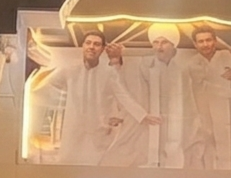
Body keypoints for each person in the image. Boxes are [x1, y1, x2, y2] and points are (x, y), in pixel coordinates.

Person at [28, 28, 149, 165]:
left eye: (96, 44)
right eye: (88, 43)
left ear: (102, 49)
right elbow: (46, 89)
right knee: (69, 165)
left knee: (97, 167)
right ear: (83, 46)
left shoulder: (108, 73)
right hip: (73, 133)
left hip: (99, 134)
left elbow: (123, 96)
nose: (91, 47)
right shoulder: (69, 69)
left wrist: (142, 115)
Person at [107, 23, 205, 168]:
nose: (159, 47)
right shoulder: (143, 66)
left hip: (176, 128)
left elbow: (191, 102)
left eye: (164, 42)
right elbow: (121, 90)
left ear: (173, 45)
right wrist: (142, 115)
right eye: (156, 42)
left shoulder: (182, 70)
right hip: (146, 126)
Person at [186, 23, 231, 169]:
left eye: (208, 40)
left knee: (228, 149)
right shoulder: (192, 63)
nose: (205, 44)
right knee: (207, 149)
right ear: (195, 44)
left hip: (227, 112)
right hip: (204, 113)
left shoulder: (227, 57)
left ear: (215, 41)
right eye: (201, 41)